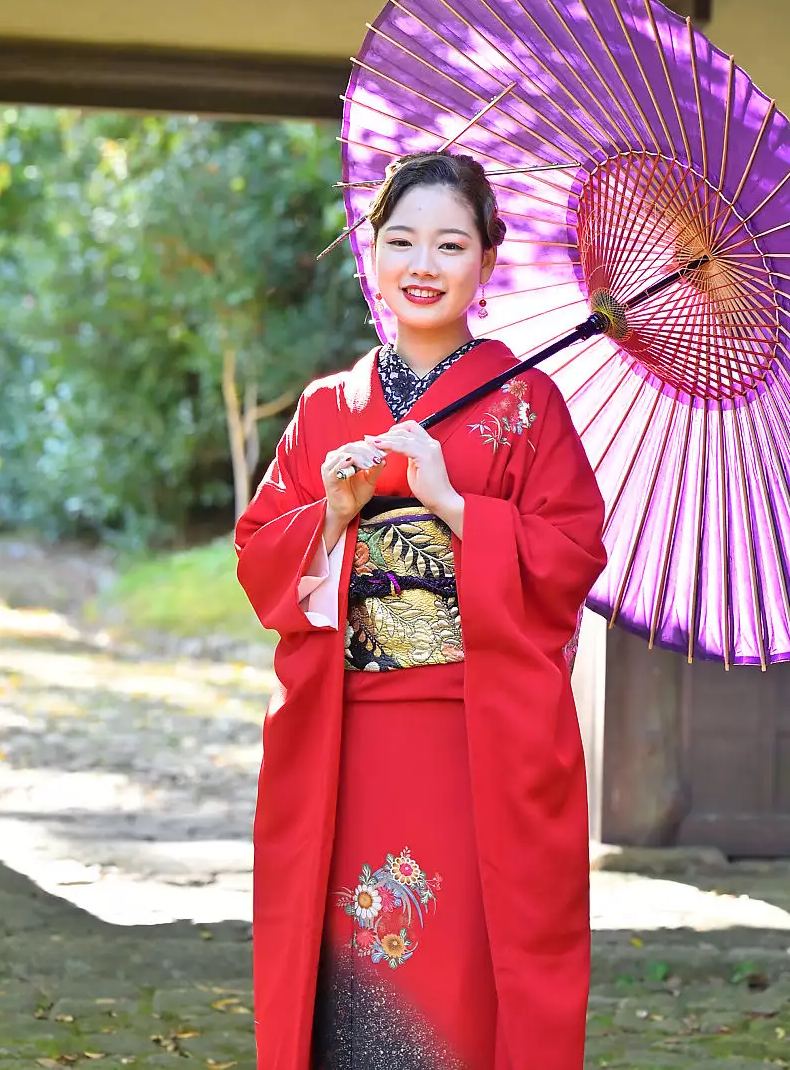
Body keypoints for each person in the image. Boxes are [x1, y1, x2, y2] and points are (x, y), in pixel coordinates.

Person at [234, 149, 607, 1070]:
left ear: (487, 259)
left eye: (450, 243)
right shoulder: (328, 407)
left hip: (471, 736)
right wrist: (332, 511)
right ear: (373, 253)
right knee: (351, 974)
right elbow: (258, 557)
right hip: (349, 735)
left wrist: (453, 504)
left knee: (463, 974)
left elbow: (569, 558)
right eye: (401, 240)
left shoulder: (530, 404)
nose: (423, 264)